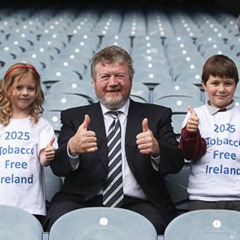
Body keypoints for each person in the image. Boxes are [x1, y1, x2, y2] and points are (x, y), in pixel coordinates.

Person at [45, 45, 184, 234]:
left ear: (131, 81)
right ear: (94, 82)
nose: (113, 83)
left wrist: (157, 150)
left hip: (139, 203)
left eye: (120, 76)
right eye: (105, 77)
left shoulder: (157, 116)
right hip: (82, 200)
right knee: (60, 221)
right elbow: (58, 167)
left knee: (157, 224)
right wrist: (72, 148)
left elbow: (176, 163)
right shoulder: (74, 118)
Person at [179, 54, 240, 211]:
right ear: (204, 85)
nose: (221, 89)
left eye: (228, 83)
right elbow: (189, 154)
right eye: (215, 83)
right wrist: (191, 133)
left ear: (236, 85)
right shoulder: (195, 115)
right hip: (202, 197)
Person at [0, 62, 58, 224]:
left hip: (30, 205)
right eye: (19, 87)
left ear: (37, 91)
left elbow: (44, 160)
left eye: (30, 88)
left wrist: (48, 154)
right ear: (7, 88)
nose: (25, 93)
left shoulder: (41, 125)